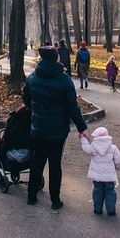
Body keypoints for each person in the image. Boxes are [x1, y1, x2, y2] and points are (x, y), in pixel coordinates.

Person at [22, 46, 88, 210]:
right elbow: (72, 107)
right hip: (58, 131)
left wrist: (36, 110)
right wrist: (82, 128)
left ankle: (31, 196)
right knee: (55, 164)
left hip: (38, 128)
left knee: (37, 162)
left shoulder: (33, 78)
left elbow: (27, 100)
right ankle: (55, 200)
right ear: (55, 59)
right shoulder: (64, 80)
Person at [79, 126, 120, 216]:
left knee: (98, 191)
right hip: (109, 177)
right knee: (110, 192)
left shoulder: (93, 148)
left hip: (97, 177)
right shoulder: (113, 148)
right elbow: (118, 160)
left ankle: (98, 209)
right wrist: (116, 167)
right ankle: (111, 210)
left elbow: (85, 147)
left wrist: (83, 137)